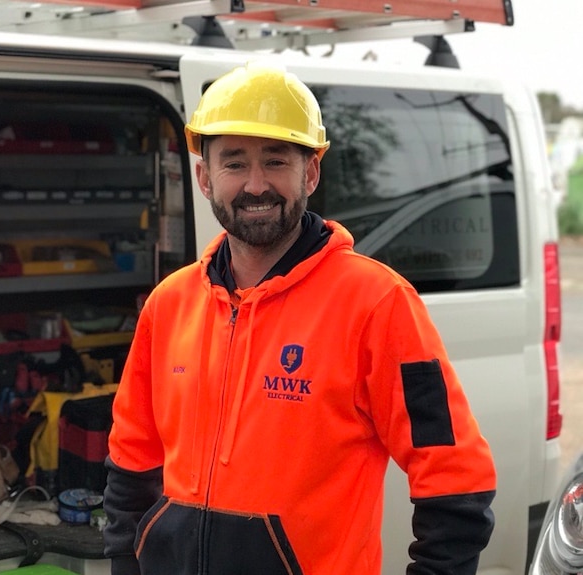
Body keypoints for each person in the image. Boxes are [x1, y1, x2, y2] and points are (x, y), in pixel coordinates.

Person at [101, 61, 497, 575]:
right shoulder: (169, 304)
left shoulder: (378, 303)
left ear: (310, 172)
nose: (257, 184)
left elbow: (454, 477)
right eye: (235, 163)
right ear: (204, 177)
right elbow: (132, 463)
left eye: (277, 160)